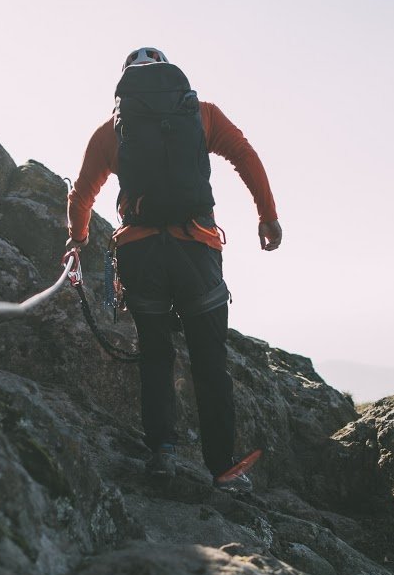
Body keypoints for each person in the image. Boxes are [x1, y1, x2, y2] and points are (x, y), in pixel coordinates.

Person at [64, 46, 282, 491]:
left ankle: (162, 452)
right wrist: (267, 214)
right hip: (196, 248)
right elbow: (245, 155)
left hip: (141, 253)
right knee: (209, 360)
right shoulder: (200, 114)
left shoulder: (113, 131)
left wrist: (79, 237)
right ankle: (221, 466)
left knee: (156, 355)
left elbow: (81, 194)